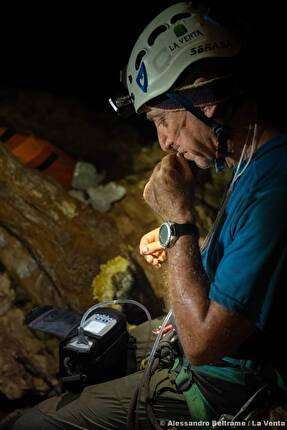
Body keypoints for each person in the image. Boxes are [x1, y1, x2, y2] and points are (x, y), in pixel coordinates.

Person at [11, 2, 287, 429]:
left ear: (204, 97)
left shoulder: (274, 191)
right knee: (89, 354)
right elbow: (241, 259)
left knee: (34, 423)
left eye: (162, 119)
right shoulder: (252, 162)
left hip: (222, 387)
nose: (162, 142)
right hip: (199, 349)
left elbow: (201, 344)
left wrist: (179, 223)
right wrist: (170, 233)